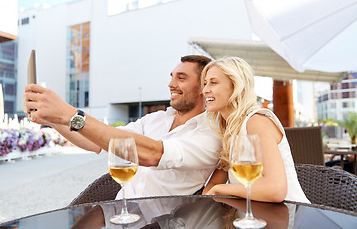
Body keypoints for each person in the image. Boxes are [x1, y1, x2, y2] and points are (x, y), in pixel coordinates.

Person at [23, 55, 221, 198]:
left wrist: (69, 113)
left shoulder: (210, 135)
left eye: (182, 78)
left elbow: (153, 154)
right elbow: (96, 142)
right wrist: (54, 120)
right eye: (172, 76)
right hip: (120, 212)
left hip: (160, 222)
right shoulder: (156, 119)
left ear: (204, 88)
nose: (171, 83)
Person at [200, 56, 309, 203]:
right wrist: (217, 189)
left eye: (213, 83)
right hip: (255, 217)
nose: (205, 90)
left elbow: (275, 189)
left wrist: (221, 189)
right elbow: (211, 187)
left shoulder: (256, 122)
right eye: (205, 83)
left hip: (289, 216)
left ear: (236, 86)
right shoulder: (230, 129)